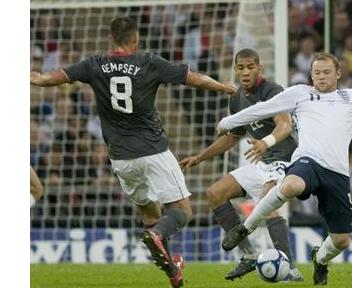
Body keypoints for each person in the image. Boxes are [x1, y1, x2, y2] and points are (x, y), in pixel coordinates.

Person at [30, 16, 236, 288]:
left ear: (111, 38)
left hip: (121, 160)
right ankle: (159, 237)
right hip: (153, 152)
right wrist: (225, 87)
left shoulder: (94, 64)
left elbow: (55, 78)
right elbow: (193, 79)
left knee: (150, 215)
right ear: (135, 39)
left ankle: (172, 268)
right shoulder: (148, 62)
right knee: (183, 211)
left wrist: (37, 77)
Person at [216, 52, 352, 285]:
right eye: (316, 72)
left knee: (341, 241)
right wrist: (229, 121)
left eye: (326, 72)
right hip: (308, 161)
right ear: (311, 75)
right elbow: (263, 108)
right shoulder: (300, 94)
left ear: (338, 74)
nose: (321, 77)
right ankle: (245, 228)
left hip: (336, 173)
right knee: (291, 185)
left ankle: (321, 260)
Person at [180, 48, 303, 281]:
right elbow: (231, 137)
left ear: (259, 68)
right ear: (235, 70)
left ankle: (291, 269)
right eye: (240, 68)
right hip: (261, 162)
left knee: (268, 198)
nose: (245, 72)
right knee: (215, 193)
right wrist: (199, 157)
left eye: (250, 67)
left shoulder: (272, 91)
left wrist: (266, 143)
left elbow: (285, 125)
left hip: (285, 159)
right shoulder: (236, 98)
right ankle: (248, 256)